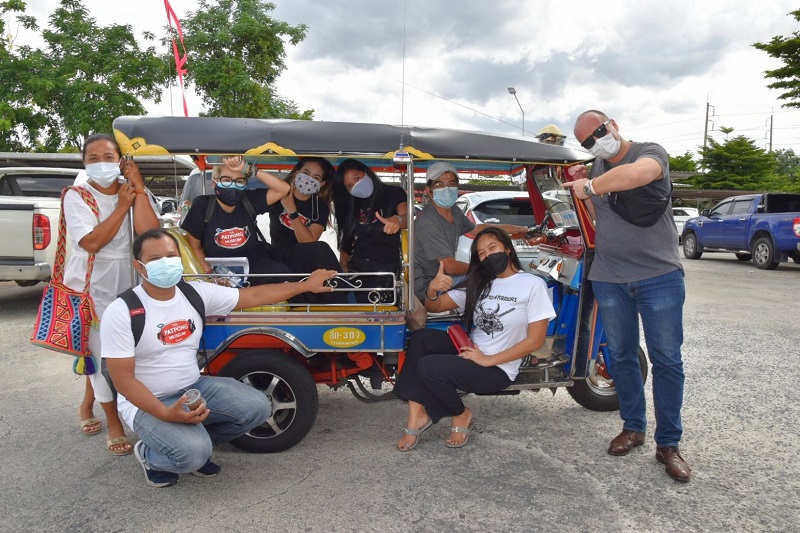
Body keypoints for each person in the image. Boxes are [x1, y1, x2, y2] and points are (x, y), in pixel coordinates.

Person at [101, 228, 336, 487]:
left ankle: (190, 443)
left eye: (171, 256)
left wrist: (305, 285)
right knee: (192, 455)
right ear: (140, 266)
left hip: (193, 389)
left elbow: (253, 295)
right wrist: (166, 413)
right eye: (156, 259)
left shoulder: (195, 293)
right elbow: (122, 380)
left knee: (258, 406)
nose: (166, 263)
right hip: (148, 402)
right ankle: (152, 455)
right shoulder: (122, 311)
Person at [562, 109, 690, 482]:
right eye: (587, 141)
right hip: (610, 276)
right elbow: (597, 219)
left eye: (599, 132)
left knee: (667, 360)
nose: (596, 141)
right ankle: (633, 426)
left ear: (614, 124)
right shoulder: (594, 168)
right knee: (620, 356)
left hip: (659, 274)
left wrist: (591, 186)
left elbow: (641, 174)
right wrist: (582, 187)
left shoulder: (648, 152)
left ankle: (669, 443)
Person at [394, 227, 556, 451]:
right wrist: (432, 290)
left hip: (496, 368)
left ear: (507, 249)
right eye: (481, 253)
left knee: (428, 367)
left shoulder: (532, 284)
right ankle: (416, 417)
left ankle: (461, 414)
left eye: (492, 248)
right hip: (472, 351)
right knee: (421, 338)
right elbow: (436, 306)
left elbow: (535, 341)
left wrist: (489, 360)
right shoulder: (479, 281)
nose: (488, 256)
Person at [67, 133, 160, 455]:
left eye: (108, 157)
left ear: (121, 160)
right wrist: (122, 206)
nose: (101, 164)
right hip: (94, 291)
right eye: (93, 158)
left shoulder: (131, 191)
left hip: (131, 285)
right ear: (84, 163)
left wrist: (138, 189)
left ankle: (89, 403)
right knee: (102, 357)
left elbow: (149, 233)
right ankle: (115, 425)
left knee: (126, 355)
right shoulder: (77, 195)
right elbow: (92, 242)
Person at [414, 162, 528, 301]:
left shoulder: (454, 211)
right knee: (493, 279)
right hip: (430, 286)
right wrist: (486, 266)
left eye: (451, 184)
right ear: (429, 190)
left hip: (448, 278)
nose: (447, 189)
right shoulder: (428, 222)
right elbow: (450, 266)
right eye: (439, 185)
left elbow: (478, 230)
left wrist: (520, 230)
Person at [181, 156, 292, 286]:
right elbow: (194, 247)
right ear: (214, 183)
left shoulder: (249, 200)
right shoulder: (203, 205)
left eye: (239, 181)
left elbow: (284, 189)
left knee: (283, 274)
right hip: (217, 272)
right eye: (226, 180)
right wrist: (211, 276)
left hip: (253, 269)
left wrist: (248, 169)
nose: (233, 184)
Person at [331, 159, 408, 303]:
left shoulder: (393, 193)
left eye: (357, 178)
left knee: (378, 314)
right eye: (349, 186)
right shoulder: (351, 204)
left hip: (386, 269)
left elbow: (407, 217)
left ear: (366, 173)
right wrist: (343, 266)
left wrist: (397, 220)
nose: (356, 186)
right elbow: (347, 239)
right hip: (358, 269)